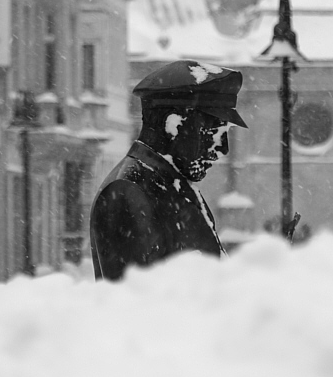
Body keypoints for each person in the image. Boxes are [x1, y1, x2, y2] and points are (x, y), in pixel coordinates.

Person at [90, 60, 248, 280]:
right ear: (172, 123)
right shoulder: (129, 191)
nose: (222, 149)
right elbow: (135, 305)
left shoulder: (169, 184)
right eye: (213, 132)